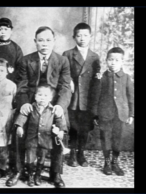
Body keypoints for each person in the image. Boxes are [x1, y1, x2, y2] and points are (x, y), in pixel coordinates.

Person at [6, 26, 71, 188]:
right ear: (35, 42)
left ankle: (55, 172)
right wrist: (24, 104)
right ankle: (19, 170)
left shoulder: (62, 61)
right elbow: (21, 86)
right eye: (40, 40)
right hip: (31, 103)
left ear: (54, 41)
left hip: (53, 105)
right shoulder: (26, 60)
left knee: (61, 129)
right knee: (18, 126)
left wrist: (60, 106)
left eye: (48, 40)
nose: (45, 44)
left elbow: (65, 87)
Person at [62, 23, 101, 167]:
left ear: (90, 37)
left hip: (87, 99)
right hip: (73, 97)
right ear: (74, 37)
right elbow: (63, 72)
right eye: (79, 35)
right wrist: (69, 81)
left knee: (84, 128)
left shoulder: (95, 56)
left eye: (85, 35)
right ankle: (72, 154)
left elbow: (96, 79)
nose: (82, 38)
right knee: (73, 127)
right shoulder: (67, 54)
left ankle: (81, 154)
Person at [91, 47, 134, 176]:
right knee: (106, 138)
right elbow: (96, 97)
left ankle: (115, 162)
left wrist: (132, 114)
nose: (113, 63)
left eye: (116, 60)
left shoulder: (126, 78)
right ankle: (107, 162)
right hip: (105, 114)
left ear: (122, 62)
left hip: (121, 115)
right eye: (110, 60)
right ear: (106, 61)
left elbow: (131, 97)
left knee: (117, 139)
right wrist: (95, 115)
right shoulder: (101, 78)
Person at [14, 84, 67, 187]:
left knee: (41, 159)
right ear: (35, 96)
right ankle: (30, 175)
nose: (42, 98)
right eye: (40, 95)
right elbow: (23, 116)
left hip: (45, 139)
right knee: (30, 158)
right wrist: (19, 126)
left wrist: (61, 131)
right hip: (32, 139)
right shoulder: (30, 108)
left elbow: (60, 120)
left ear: (51, 98)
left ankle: (37, 175)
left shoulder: (53, 110)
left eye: (46, 95)